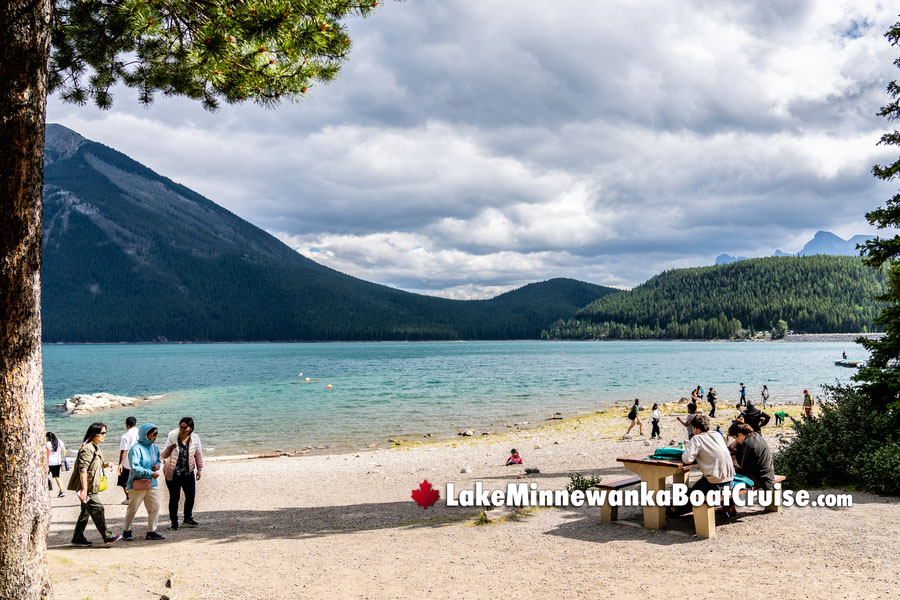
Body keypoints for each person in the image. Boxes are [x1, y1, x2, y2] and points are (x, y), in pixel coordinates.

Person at [68, 422, 121, 547]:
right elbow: (83, 469)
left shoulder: (95, 447)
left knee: (85, 513)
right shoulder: (87, 449)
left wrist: (107, 464)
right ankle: (107, 537)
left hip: (92, 485)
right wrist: (84, 490)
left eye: (105, 433)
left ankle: (77, 538)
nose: (104, 436)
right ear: (94, 434)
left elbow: (94, 465)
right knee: (98, 509)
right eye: (102, 433)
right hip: (88, 487)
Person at [670, 414, 734, 516]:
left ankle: (676, 510)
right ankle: (729, 507)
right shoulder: (717, 435)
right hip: (730, 480)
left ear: (695, 428)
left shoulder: (697, 438)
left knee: (689, 495)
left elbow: (687, 460)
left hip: (714, 482)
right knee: (699, 485)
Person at [122, 423, 165, 541]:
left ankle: (151, 531)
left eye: (157, 434)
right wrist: (151, 473)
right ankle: (127, 530)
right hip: (137, 483)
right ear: (145, 434)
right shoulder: (135, 449)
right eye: (154, 434)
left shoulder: (154, 447)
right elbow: (135, 468)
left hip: (151, 483)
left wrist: (157, 466)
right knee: (133, 508)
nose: (156, 436)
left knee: (155, 507)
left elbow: (158, 460)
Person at [726, 422, 775, 518]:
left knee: (725, 479)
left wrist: (732, 449)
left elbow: (744, 466)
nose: (735, 440)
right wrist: (735, 443)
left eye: (735, 438)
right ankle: (728, 506)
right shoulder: (756, 436)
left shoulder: (748, 444)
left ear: (740, 435)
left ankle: (728, 507)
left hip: (759, 477)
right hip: (767, 472)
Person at [162, 417, 204, 530]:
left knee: (190, 495)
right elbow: (163, 455)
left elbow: (198, 454)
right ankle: (174, 523)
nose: (182, 429)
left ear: (191, 428)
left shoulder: (195, 438)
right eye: (181, 427)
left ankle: (187, 518)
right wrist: (170, 448)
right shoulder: (172, 436)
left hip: (187, 472)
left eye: (185, 427)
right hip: (173, 473)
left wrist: (199, 469)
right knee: (174, 498)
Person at [117, 416, 139, 505]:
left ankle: (128, 497)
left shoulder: (125, 436)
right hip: (139, 460)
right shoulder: (140, 433)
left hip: (128, 461)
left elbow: (123, 450)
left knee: (123, 481)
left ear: (127, 425)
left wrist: (120, 463)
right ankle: (136, 497)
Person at [46, 432, 67, 497]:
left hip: (48, 462)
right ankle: (61, 491)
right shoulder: (60, 442)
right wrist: (62, 459)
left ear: (47, 437)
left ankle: (46, 492)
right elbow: (64, 451)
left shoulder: (47, 444)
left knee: (45, 476)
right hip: (57, 462)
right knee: (57, 477)